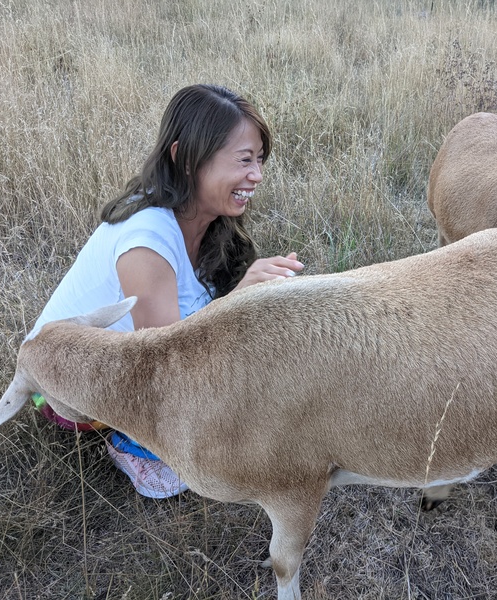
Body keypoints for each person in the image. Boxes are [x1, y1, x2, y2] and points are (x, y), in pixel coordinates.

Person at [26, 84, 304, 498]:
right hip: (68, 392)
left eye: (260, 159)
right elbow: (168, 369)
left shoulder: (206, 221)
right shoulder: (147, 240)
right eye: (244, 160)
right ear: (185, 158)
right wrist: (241, 298)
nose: (257, 176)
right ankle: (132, 444)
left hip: (137, 360)